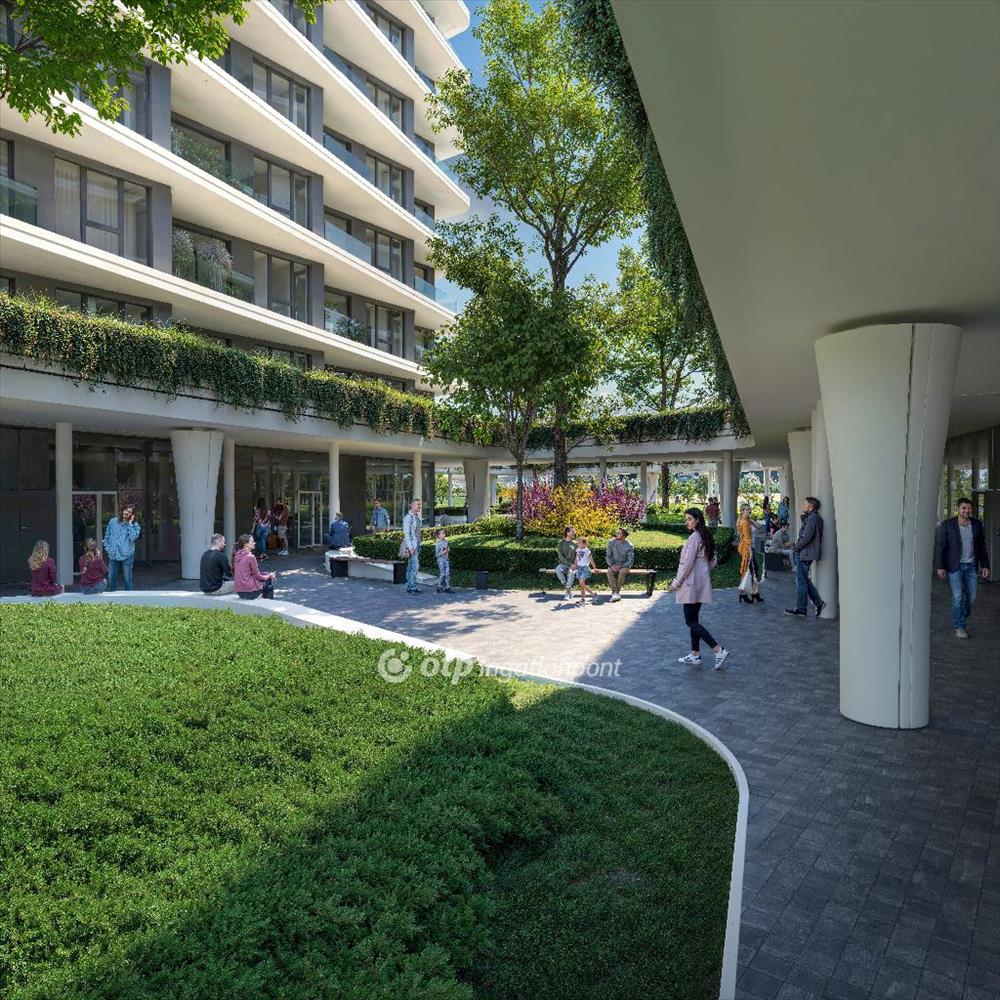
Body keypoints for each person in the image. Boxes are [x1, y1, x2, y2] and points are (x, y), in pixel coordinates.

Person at [668, 507, 729, 669]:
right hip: (700, 583)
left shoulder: (694, 538)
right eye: (686, 519)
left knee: (690, 621)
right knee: (694, 620)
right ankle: (695, 654)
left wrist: (676, 583)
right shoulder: (705, 535)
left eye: (689, 519)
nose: (687, 522)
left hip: (690, 584)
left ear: (698, 520)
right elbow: (713, 560)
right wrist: (703, 570)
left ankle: (718, 650)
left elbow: (687, 564)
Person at [935, 497, 991, 638]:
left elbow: (981, 547)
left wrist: (985, 565)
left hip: (971, 566)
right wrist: (940, 566)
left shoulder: (977, 524)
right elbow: (941, 547)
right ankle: (959, 627)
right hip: (955, 566)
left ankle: (960, 617)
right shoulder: (948, 525)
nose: (967, 511)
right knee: (958, 597)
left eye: (969, 508)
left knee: (971, 597)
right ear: (958, 509)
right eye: (964, 508)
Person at [785, 497, 826, 617]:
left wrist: (796, 547)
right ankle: (818, 603)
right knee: (804, 580)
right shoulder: (813, 517)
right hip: (806, 552)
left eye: (805, 504)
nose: (803, 506)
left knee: (801, 582)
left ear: (810, 507)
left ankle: (801, 609)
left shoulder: (812, 519)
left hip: (805, 554)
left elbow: (806, 537)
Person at [104, 504, 141, 591]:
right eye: (126, 510)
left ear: (132, 515)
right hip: (113, 554)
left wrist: (130, 524)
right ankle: (112, 596)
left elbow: (132, 538)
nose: (127, 513)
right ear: (123, 510)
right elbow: (107, 536)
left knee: (127, 578)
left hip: (127, 555)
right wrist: (108, 548)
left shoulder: (135, 525)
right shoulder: (113, 522)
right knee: (111, 576)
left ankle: (128, 597)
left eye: (129, 512)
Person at [233, 533, 276, 599]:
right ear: (246, 544)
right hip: (249, 592)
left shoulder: (237, 555)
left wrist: (266, 574)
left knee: (266, 577)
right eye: (252, 541)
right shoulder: (250, 557)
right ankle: (268, 603)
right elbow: (258, 576)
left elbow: (248, 573)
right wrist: (269, 575)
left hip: (239, 592)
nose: (254, 543)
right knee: (268, 582)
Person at [737, 503, 763, 604]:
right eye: (746, 510)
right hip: (747, 549)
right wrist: (750, 551)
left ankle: (753, 593)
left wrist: (751, 520)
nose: (749, 511)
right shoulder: (744, 522)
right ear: (742, 511)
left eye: (749, 509)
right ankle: (746, 593)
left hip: (748, 548)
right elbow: (747, 539)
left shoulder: (746, 520)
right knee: (749, 570)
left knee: (752, 570)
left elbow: (759, 526)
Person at [605, 527, 635, 602]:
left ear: (623, 536)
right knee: (609, 571)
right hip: (614, 565)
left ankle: (616, 592)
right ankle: (616, 592)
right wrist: (611, 565)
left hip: (625, 566)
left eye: (619, 533)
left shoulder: (629, 545)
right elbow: (608, 556)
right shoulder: (611, 542)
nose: (617, 534)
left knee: (622, 572)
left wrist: (621, 566)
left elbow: (630, 560)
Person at [402, 499, 423, 594]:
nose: (420, 506)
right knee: (415, 566)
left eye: (420, 504)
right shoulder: (408, 518)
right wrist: (410, 548)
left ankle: (410, 586)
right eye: (418, 505)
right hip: (412, 547)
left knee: (411, 566)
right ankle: (412, 587)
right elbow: (406, 534)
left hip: (417, 545)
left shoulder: (416, 517)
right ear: (412, 506)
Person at [555, 526, 577, 598]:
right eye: (572, 531)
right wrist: (570, 564)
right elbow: (560, 556)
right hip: (564, 564)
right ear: (567, 533)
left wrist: (574, 564)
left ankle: (567, 594)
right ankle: (568, 589)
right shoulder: (561, 543)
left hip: (573, 565)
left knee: (571, 572)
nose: (574, 533)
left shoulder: (575, 543)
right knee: (558, 569)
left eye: (574, 531)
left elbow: (577, 555)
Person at [574, 536, 597, 603]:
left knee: (582, 583)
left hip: (584, 568)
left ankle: (592, 594)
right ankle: (583, 598)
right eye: (577, 543)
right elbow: (576, 559)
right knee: (581, 585)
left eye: (579, 543)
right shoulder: (577, 550)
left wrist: (595, 568)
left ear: (584, 544)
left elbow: (591, 560)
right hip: (579, 568)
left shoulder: (587, 550)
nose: (578, 544)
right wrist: (575, 565)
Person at [434, 529, 452, 593]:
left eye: (444, 533)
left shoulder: (446, 541)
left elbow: (446, 549)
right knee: (443, 574)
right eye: (442, 533)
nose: (444, 534)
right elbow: (436, 555)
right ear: (438, 536)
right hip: (441, 560)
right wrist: (443, 552)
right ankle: (439, 587)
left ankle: (448, 587)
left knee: (447, 574)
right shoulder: (438, 544)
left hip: (446, 559)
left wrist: (448, 550)